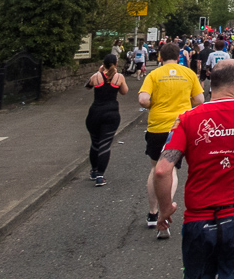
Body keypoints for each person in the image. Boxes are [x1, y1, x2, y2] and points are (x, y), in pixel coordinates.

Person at [154, 60, 234, 277]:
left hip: (198, 220)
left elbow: (162, 170)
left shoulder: (187, 119)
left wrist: (165, 208)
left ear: (211, 85)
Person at [138, 42, 204, 234]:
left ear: (160, 56)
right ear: (178, 57)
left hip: (157, 126)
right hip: (180, 126)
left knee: (155, 168)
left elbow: (143, 99)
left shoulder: (154, 75)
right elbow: (199, 100)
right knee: (172, 169)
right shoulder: (188, 74)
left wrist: (154, 104)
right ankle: (165, 211)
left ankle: (152, 213)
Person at [85, 53, 129, 186]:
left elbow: (87, 86)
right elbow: (124, 92)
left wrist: (99, 72)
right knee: (105, 144)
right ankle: (100, 176)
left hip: (94, 114)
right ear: (116, 64)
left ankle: (93, 171)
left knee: (95, 143)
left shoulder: (96, 76)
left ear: (103, 64)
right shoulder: (119, 77)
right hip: (111, 114)